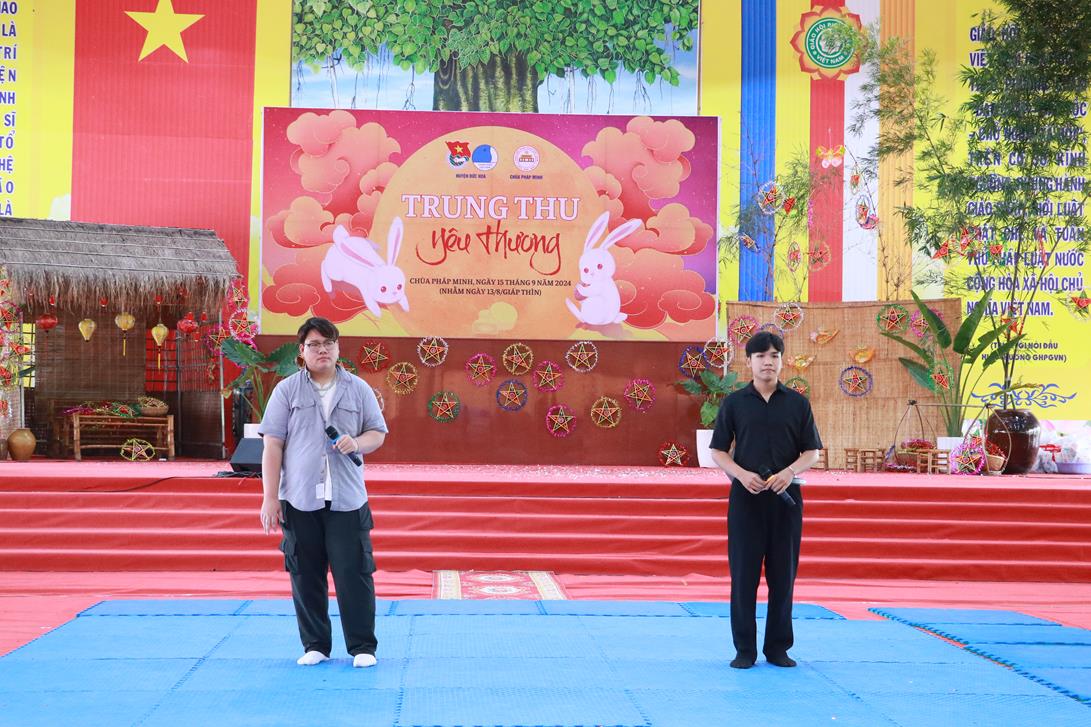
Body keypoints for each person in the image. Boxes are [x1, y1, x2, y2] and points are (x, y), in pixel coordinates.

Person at [258, 316, 388, 668]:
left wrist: (356, 442)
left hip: (347, 497)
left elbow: (377, 433)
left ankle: (362, 647)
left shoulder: (358, 389)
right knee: (305, 573)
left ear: (338, 348)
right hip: (299, 496)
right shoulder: (286, 391)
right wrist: (270, 497)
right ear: (301, 351)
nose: (322, 350)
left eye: (328, 343)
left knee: (354, 573)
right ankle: (315, 644)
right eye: (314, 344)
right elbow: (273, 445)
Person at [708, 331, 822, 669]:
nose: (767, 362)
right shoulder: (734, 403)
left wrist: (789, 471)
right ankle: (745, 649)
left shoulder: (798, 404)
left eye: (774, 355)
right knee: (743, 576)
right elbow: (718, 451)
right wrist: (741, 475)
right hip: (746, 500)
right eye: (760, 356)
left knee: (783, 577)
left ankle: (778, 648)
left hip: (786, 501)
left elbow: (812, 452)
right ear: (749, 361)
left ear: (782, 360)